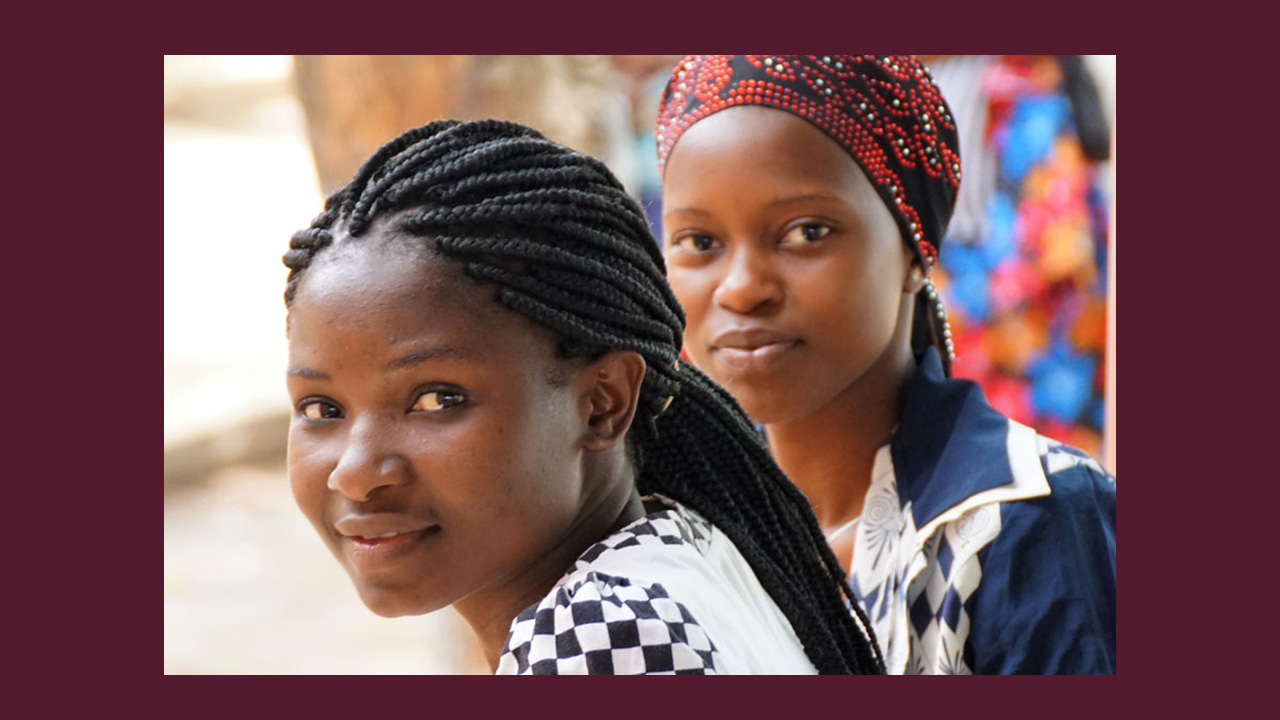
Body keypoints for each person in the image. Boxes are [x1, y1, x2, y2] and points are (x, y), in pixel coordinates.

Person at [281, 118, 883, 675]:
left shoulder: (597, 639)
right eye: (320, 410)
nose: (355, 474)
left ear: (603, 402)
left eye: (437, 400)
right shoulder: (675, 546)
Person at [655, 55, 1115, 674]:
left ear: (915, 252)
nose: (741, 288)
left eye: (807, 232)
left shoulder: (1025, 519)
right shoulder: (681, 531)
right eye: (700, 242)